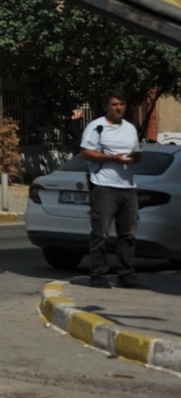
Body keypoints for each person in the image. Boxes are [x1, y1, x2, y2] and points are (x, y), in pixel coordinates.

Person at [79, 91, 143, 289]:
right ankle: (97, 275)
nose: (118, 108)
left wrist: (134, 157)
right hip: (104, 186)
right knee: (101, 234)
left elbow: (138, 153)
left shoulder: (130, 128)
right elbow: (85, 152)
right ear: (107, 107)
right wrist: (112, 158)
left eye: (122, 104)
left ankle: (126, 275)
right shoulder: (97, 126)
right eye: (114, 104)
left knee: (128, 234)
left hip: (128, 187)